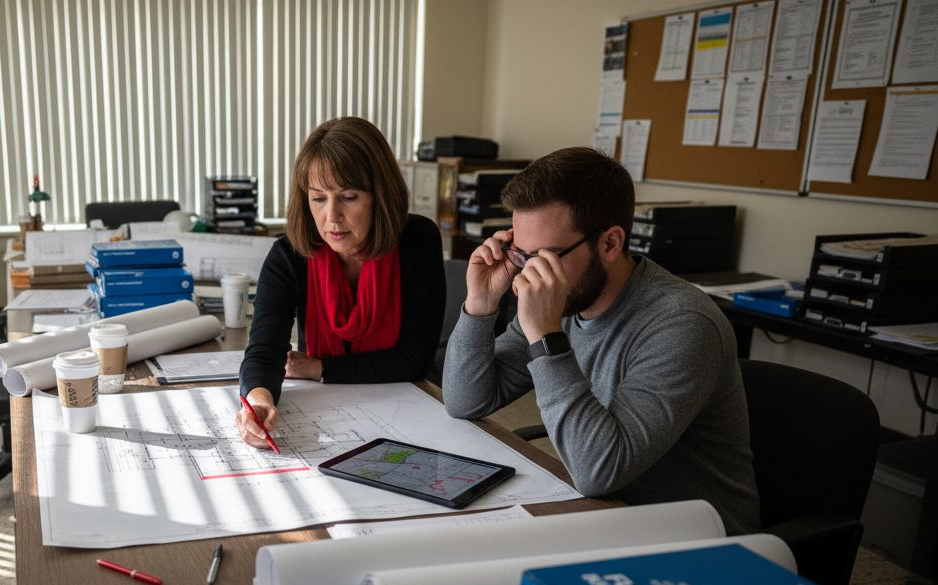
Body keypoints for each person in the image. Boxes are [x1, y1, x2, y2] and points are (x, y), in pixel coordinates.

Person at [442, 147, 759, 534]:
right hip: (605, 517)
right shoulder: (563, 299)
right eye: (521, 254)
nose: (529, 274)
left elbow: (598, 471)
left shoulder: (682, 323)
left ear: (610, 243)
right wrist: (481, 303)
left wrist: (544, 336)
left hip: (692, 540)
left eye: (545, 256)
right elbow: (465, 400)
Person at [236, 117, 444, 448]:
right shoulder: (289, 255)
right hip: (330, 419)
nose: (332, 216)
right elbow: (264, 352)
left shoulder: (417, 241)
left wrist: (320, 367)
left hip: (408, 413)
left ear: (380, 196)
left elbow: (414, 361)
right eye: (318, 198)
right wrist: (259, 400)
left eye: (348, 197)